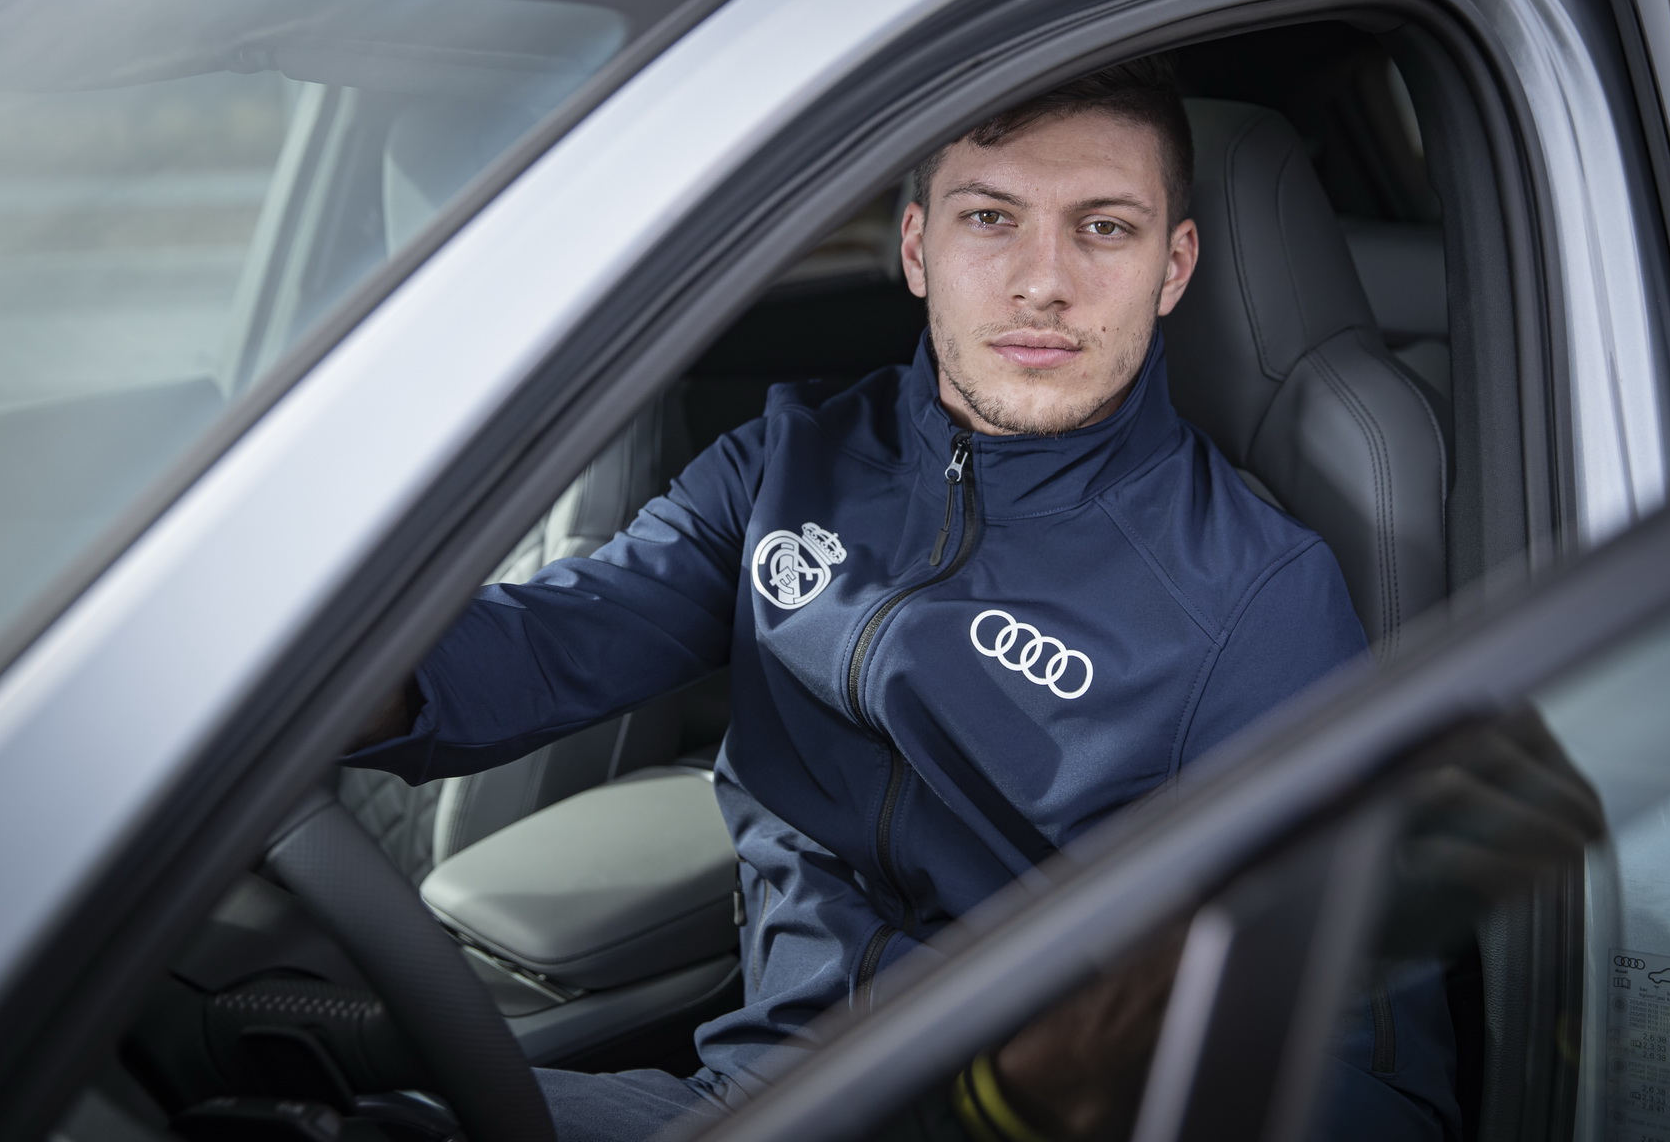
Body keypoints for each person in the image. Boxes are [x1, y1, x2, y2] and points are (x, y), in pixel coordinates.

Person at [347, 57, 1458, 1140]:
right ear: (918, 245)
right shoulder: (789, 462)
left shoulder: (1251, 591)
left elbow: (1358, 1058)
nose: (1043, 281)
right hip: (752, 1090)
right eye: (990, 218)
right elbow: (547, 642)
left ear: (1174, 268)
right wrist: (303, 687)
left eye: (1103, 227)